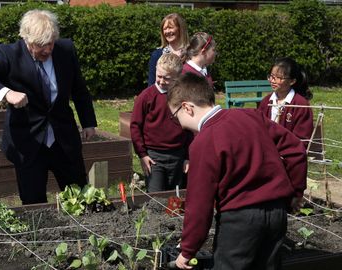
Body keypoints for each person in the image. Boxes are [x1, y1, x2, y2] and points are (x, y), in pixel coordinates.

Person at [167, 73, 307, 270]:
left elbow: (199, 204)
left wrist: (188, 250)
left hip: (240, 221)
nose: (180, 125)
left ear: (187, 107)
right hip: (276, 214)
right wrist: (296, 192)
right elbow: (296, 150)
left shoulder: (203, 142)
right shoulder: (251, 116)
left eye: (176, 118)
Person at [0, 9, 97, 204]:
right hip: (28, 143)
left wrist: (88, 122)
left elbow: (79, 88)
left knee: (80, 196)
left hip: (63, 139)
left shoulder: (65, 50)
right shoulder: (9, 54)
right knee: (34, 204)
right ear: (26, 40)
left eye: (51, 43)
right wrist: (7, 93)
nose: (47, 50)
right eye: (41, 45)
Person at [130, 53, 192, 192]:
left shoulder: (183, 98)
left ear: (178, 78)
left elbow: (190, 129)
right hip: (154, 157)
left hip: (178, 155)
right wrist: (142, 154)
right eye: (159, 76)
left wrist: (188, 156)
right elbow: (135, 126)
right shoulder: (145, 97)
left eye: (167, 78)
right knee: (155, 197)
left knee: (177, 196)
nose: (162, 81)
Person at [258, 57, 313, 148]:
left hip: (289, 154)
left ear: (292, 81)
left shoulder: (300, 105)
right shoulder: (266, 101)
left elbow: (301, 140)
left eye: (279, 78)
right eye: (271, 76)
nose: (272, 81)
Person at [147, 13, 189, 86]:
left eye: (170, 27)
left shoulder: (191, 53)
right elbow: (151, 84)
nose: (167, 31)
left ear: (180, 29)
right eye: (165, 29)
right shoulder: (157, 55)